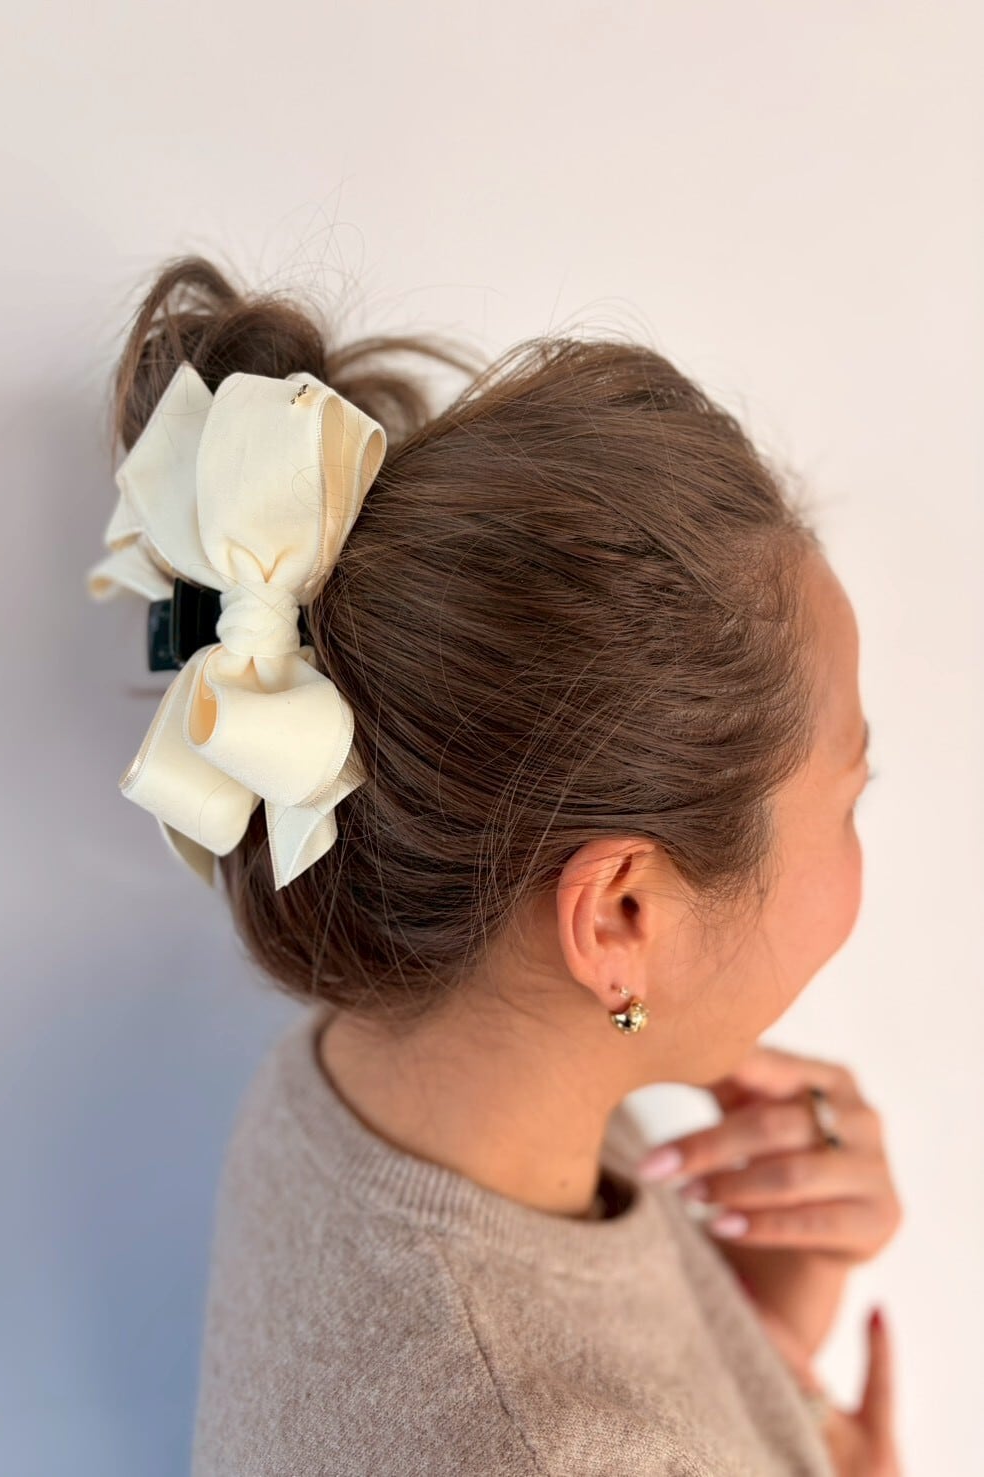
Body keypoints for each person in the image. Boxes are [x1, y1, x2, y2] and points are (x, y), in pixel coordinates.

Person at [88, 255, 904, 1475]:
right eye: (849, 796)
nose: (858, 850)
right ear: (620, 915)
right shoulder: (540, 1444)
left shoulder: (356, 1089)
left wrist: (767, 1340)